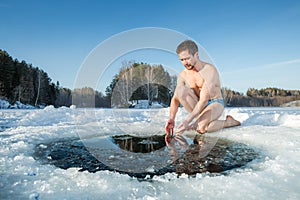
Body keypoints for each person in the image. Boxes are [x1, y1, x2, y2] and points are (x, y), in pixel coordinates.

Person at [165, 40, 240, 136]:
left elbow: (204, 100)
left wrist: (188, 120)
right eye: (182, 60)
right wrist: (171, 119)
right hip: (198, 104)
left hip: (214, 102)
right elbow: (175, 98)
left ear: (196, 55)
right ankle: (201, 121)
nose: (185, 63)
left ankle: (229, 122)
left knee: (201, 127)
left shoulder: (209, 70)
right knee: (180, 90)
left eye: (187, 58)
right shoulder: (183, 74)